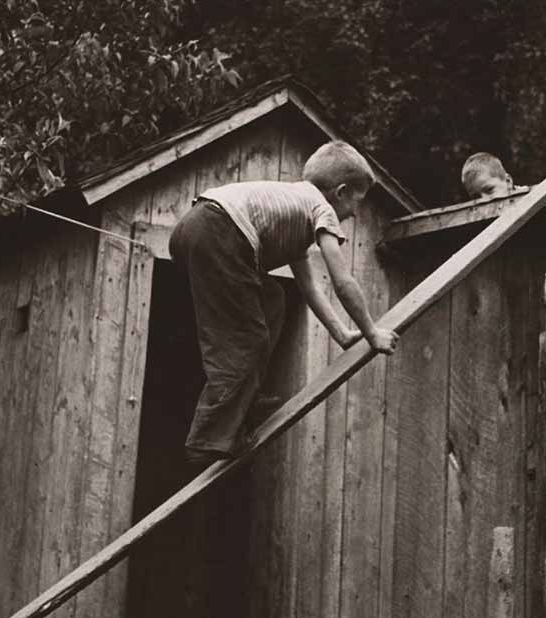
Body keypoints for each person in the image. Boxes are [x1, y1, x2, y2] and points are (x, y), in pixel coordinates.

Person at [169, 140, 399, 466]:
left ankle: (243, 402)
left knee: (272, 299)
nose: (356, 212)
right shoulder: (321, 209)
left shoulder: (292, 205)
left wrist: (343, 334)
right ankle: (209, 437)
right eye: (358, 201)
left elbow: (310, 288)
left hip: (194, 228)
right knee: (245, 338)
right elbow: (342, 281)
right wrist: (372, 332)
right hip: (220, 231)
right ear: (341, 191)